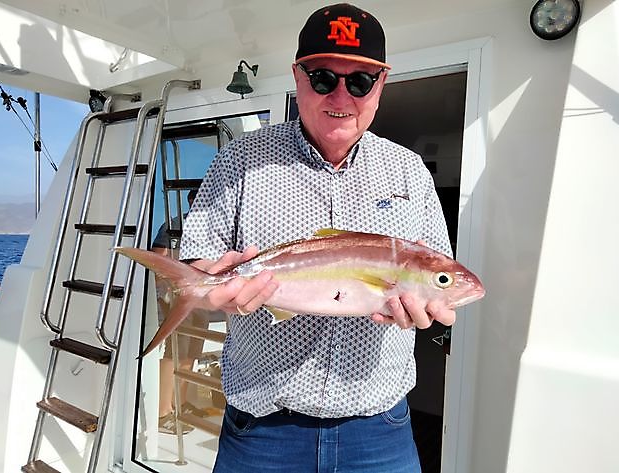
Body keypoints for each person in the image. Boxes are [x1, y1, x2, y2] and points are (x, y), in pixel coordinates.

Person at [179, 3, 456, 471]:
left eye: (360, 81)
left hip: (378, 431)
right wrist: (212, 291)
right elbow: (198, 268)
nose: (341, 96)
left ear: (381, 84)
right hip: (263, 429)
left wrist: (431, 312)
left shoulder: (410, 171)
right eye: (323, 78)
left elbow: (439, 280)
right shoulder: (242, 159)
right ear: (297, 76)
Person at [152, 188, 207, 435]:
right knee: (175, 351)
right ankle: (163, 412)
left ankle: (181, 404)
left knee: (191, 353)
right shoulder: (172, 226)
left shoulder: (211, 227)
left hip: (202, 298)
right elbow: (157, 261)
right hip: (178, 297)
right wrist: (166, 293)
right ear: (191, 200)